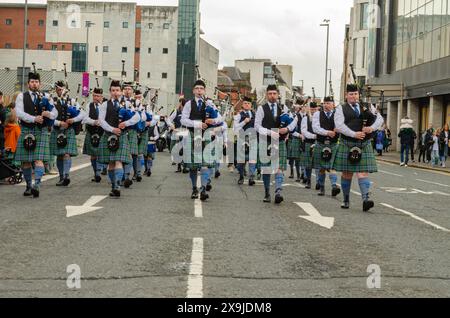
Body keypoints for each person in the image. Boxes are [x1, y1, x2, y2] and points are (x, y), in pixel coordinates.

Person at [333, 84, 384, 212]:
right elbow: (339, 125)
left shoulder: (367, 106)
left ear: (358, 95)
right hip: (347, 143)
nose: (353, 96)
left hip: (364, 144)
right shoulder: (340, 108)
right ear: (346, 95)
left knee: (363, 172)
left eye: (355, 94)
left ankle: (366, 199)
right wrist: (354, 134)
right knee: (347, 173)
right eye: (351, 94)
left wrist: (371, 128)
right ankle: (345, 199)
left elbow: (380, 119)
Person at [15, 72, 58, 198]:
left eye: (36, 82)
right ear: (28, 83)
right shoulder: (22, 96)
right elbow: (19, 112)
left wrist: (48, 114)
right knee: (26, 161)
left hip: (41, 131)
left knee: (39, 159)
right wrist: (34, 119)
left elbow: (55, 111)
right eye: (32, 82)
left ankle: (37, 185)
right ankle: (29, 186)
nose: (34, 84)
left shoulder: (46, 96)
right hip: (26, 130)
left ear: (39, 83)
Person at [181, 79, 223, 201]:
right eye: (197, 88)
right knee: (193, 166)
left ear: (204, 91)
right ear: (194, 91)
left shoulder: (210, 104)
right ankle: (194, 188)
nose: (199, 90)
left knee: (205, 164)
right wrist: (198, 124)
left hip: (207, 136)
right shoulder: (189, 104)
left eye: (201, 88)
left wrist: (213, 121)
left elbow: (220, 118)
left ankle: (203, 189)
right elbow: (183, 120)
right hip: (193, 135)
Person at [255, 84, 298, 204]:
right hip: (266, 141)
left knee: (280, 168)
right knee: (267, 169)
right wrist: (270, 132)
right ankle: (267, 193)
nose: (272, 96)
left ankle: (278, 191)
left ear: (278, 95)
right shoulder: (261, 109)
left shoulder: (284, 108)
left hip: (280, 141)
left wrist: (287, 129)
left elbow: (294, 121)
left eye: (274, 94)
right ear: (266, 95)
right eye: (270, 94)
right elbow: (257, 126)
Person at [98, 80, 138, 198]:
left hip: (122, 136)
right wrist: (112, 129)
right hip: (109, 135)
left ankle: (117, 186)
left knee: (118, 161)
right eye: (113, 90)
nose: (115, 93)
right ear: (110, 92)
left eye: (117, 90)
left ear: (121, 91)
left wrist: (126, 123)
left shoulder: (127, 103)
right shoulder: (105, 105)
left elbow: (137, 117)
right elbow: (101, 121)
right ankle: (113, 185)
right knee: (111, 163)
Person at [50, 81, 86, 186]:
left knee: (66, 154)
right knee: (59, 155)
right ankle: (61, 177)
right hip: (57, 129)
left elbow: (82, 113)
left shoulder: (72, 101)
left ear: (66, 89)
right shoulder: (52, 101)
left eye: (62, 89)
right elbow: (49, 117)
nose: (60, 91)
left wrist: (73, 120)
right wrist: (59, 122)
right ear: (56, 90)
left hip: (69, 130)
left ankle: (66, 175)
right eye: (58, 89)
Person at [312, 96, 341, 197]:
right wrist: (327, 132)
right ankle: (322, 188)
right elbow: (315, 128)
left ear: (333, 104)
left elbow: (342, 125)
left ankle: (334, 186)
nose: (326, 105)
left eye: (328, 103)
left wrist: (338, 129)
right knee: (321, 168)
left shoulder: (338, 114)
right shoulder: (317, 114)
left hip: (333, 144)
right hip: (321, 143)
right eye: (325, 103)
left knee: (332, 166)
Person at [82, 87, 105, 183]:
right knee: (93, 156)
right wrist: (94, 122)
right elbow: (84, 119)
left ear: (101, 97)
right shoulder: (89, 105)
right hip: (91, 132)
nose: (96, 98)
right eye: (94, 95)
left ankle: (100, 171)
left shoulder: (105, 106)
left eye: (98, 96)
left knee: (101, 154)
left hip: (102, 133)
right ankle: (96, 173)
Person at [233, 96, 257, 186]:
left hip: (253, 139)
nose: (247, 105)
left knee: (252, 159)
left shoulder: (255, 115)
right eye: (245, 103)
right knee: (241, 161)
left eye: (249, 103)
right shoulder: (238, 116)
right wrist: (244, 122)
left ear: (251, 105)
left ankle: (251, 177)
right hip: (242, 138)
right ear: (242, 105)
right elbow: (235, 128)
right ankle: (241, 177)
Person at [287, 99, 305, 182]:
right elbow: (291, 129)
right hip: (295, 138)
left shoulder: (308, 116)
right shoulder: (294, 116)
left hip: (306, 140)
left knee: (304, 159)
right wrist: (299, 135)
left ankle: (303, 174)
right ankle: (297, 175)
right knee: (295, 158)